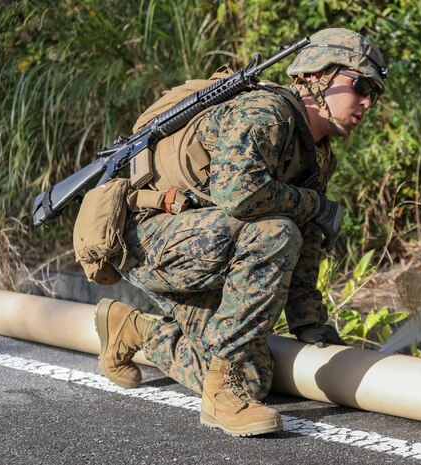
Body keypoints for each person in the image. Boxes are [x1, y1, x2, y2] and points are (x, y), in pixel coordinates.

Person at [93, 28, 387, 437]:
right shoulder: (264, 113)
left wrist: (311, 325)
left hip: (211, 249)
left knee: (255, 382)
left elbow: (308, 236)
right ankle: (220, 397)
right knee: (274, 233)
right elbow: (239, 195)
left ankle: (134, 329)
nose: (368, 101)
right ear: (316, 76)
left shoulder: (318, 154)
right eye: (360, 85)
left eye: (375, 92)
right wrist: (316, 205)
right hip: (150, 242)